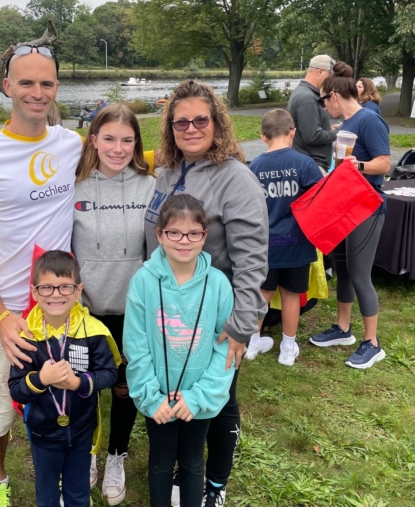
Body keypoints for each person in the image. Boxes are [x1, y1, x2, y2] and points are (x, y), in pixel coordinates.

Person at [0, 45, 83, 507]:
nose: (36, 92)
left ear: (57, 89)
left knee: (64, 396)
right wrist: (0, 315)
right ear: (7, 87)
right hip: (4, 312)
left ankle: (67, 469)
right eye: (25, 82)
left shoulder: (71, 144)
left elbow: (122, 158)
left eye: (46, 83)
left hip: (62, 306)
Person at [144, 80, 268, 506]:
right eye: (182, 122)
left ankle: (215, 484)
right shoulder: (166, 172)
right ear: (171, 127)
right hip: (168, 311)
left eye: (201, 119)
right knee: (180, 393)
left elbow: (253, 259)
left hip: (217, 319)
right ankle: (184, 471)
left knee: (219, 399)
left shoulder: (237, 179)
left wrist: (241, 325)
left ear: (216, 123)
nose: (192, 128)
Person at [125, 194, 235, 507]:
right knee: (160, 462)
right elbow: (136, 345)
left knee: (191, 461)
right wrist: (150, 395)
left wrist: (198, 397)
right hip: (158, 397)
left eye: (193, 233)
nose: (183, 241)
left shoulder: (218, 285)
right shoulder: (143, 282)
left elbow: (225, 349)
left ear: (205, 234)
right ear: (159, 234)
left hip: (197, 400)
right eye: (174, 232)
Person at [72, 104, 156, 505]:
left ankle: (116, 455)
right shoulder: (74, 185)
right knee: (85, 389)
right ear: (93, 139)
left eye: (127, 140)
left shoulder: (149, 185)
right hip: (85, 311)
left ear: (137, 142)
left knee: (124, 389)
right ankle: (89, 450)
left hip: (131, 311)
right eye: (109, 138)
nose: (118, 148)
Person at [8, 250, 120, 507]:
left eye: (65, 287)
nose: (56, 294)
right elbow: (16, 389)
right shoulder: (27, 337)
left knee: (78, 493)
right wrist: (41, 379)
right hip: (42, 433)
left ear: (78, 289)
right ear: (35, 292)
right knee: (46, 495)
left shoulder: (93, 332)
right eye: (47, 288)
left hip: (81, 431)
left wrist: (78, 383)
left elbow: (110, 374)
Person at [309, 61, 390, 369]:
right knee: (342, 269)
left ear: (334, 96)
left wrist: (358, 166)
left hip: (366, 208)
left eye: (322, 100)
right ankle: (343, 329)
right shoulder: (346, 125)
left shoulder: (369, 120)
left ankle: (373, 343)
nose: (323, 106)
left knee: (359, 275)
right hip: (345, 206)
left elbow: (384, 164)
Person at [247, 109, 322, 366]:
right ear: (293, 132)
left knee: (261, 294)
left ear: (263, 137)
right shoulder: (305, 163)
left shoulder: (254, 167)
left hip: (264, 246)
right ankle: (287, 348)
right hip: (296, 244)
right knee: (291, 296)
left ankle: (253, 341)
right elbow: (319, 202)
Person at [287, 54, 338, 175]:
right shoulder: (308, 98)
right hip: (312, 167)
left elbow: (306, 129)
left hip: (308, 164)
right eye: (330, 76)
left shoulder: (303, 93)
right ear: (320, 71)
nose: (332, 81)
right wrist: (339, 132)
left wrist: (328, 129)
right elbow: (312, 136)